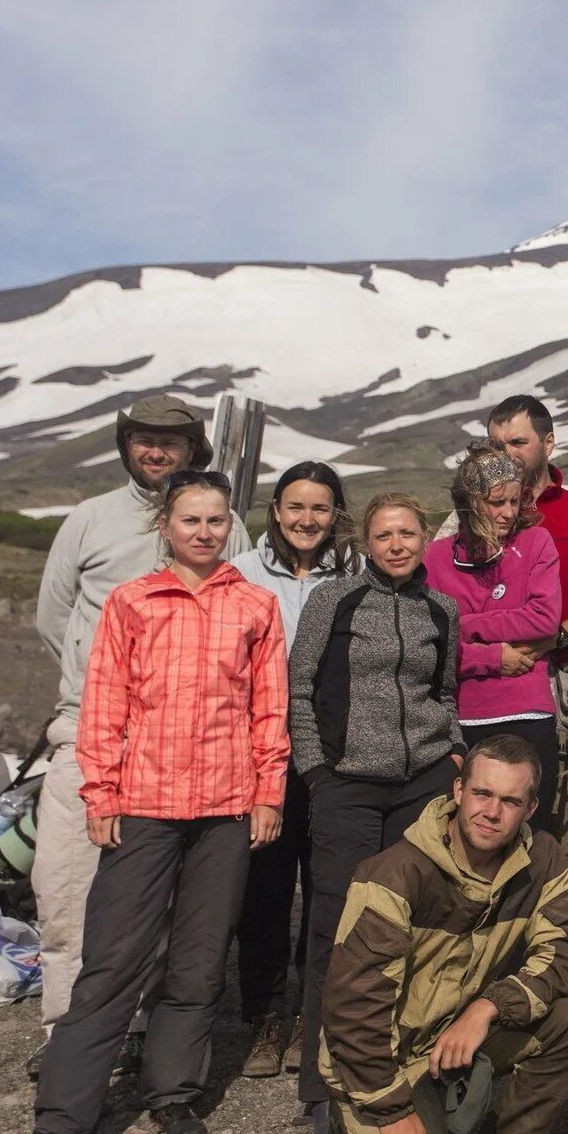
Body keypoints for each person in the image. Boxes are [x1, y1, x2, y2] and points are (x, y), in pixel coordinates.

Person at [0, 471, 287, 1134]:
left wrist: (268, 791)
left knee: (196, 960)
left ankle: (174, 1096)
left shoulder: (255, 605)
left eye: (217, 521)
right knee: (111, 962)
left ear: (229, 528)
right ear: (166, 525)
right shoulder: (130, 603)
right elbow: (105, 707)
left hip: (223, 807)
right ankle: (64, 1121)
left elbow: (268, 708)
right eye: (191, 520)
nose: (204, 532)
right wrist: (100, 794)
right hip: (144, 807)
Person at [29, 394, 244, 1076]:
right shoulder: (89, 520)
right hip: (90, 737)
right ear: (126, 445)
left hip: (188, 750)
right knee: (65, 888)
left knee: (166, 903)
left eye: (171, 441)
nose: (156, 451)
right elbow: (53, 616)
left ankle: (150, 1034)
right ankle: (68, 1036)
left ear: (193, 451)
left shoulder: (223, 529)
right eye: (144, 439)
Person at [318, 734, 568, 1134]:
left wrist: (491, 1005)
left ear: (530, 807)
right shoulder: (394, 874)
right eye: (482, 794)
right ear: (459, 789)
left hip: (456, 1037)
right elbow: (352, 1012)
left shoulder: (546, 860)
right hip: (381, 1060)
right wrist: (392, 1111)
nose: (492, 813)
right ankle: (344, 1126)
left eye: (511, 801)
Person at [290, 492, 468, 1127]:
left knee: (414, 925)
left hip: (420, 783)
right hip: (346, 785)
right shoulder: (332, 601)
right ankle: (323, 1087)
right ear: (365, 542)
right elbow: (300, 686)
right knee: (336, 927)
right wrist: (316, 771)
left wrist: (451, 753)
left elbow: (445, 691)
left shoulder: (441, 609)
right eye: (384, 535)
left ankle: (401, 1066)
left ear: (424, 538)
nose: (397, 545)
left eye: (408, 533)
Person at [229, 459, 359, 1078]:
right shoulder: (241, 576)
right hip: (261, 756)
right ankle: (264, 1016)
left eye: (320, 507)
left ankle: (315, 1013)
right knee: (265, 888)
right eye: (296, 506)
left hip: (333, 755)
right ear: (276, 511)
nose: (308, 519)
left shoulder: (358, 575)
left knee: (329, 888)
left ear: (337, 515)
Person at [484, 395, 568, 853]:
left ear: (548, 443)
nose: (506, 455)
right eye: (496, 444)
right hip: (490, 682)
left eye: (518, 442)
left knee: (559, 835)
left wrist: (553, 638)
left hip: (566, 687)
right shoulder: (472, 513)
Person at [422, 444, 561, 819]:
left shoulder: (535, 542)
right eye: (497, 502)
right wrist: (494, 656)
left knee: (531, 831)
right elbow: (430, 644)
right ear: (469, 502)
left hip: (526, 712)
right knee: (459, 833)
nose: (508, 512)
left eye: (515, 501)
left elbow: (545, 618)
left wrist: (461, 625)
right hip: (459, 716)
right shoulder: (434, 557)